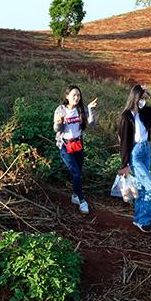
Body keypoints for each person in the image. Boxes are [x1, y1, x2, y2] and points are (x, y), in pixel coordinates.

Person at [117, 84, 151, 232]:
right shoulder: (126, 116)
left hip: (146, 150)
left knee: (142, 187)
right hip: (135, 153)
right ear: (135, 98)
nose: (144, 100)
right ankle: (144, 221)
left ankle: (139, 220)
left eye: (146, 98)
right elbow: (124, 142)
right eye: (142, 98)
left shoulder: (145, 113)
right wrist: (125, 164)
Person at [54, 85, 98, 214]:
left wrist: (91, 109)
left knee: (78, 171)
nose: (76, 98)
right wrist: (59, 123)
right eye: (74, 95)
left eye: (78, 95)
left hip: (78, 144)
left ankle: (74, 195)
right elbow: (57, 129)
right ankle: (81, 200)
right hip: (65, 145)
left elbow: (92, 123)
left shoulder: (81, 109)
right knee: (76, 173)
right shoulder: (61, 110)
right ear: (67, 96)